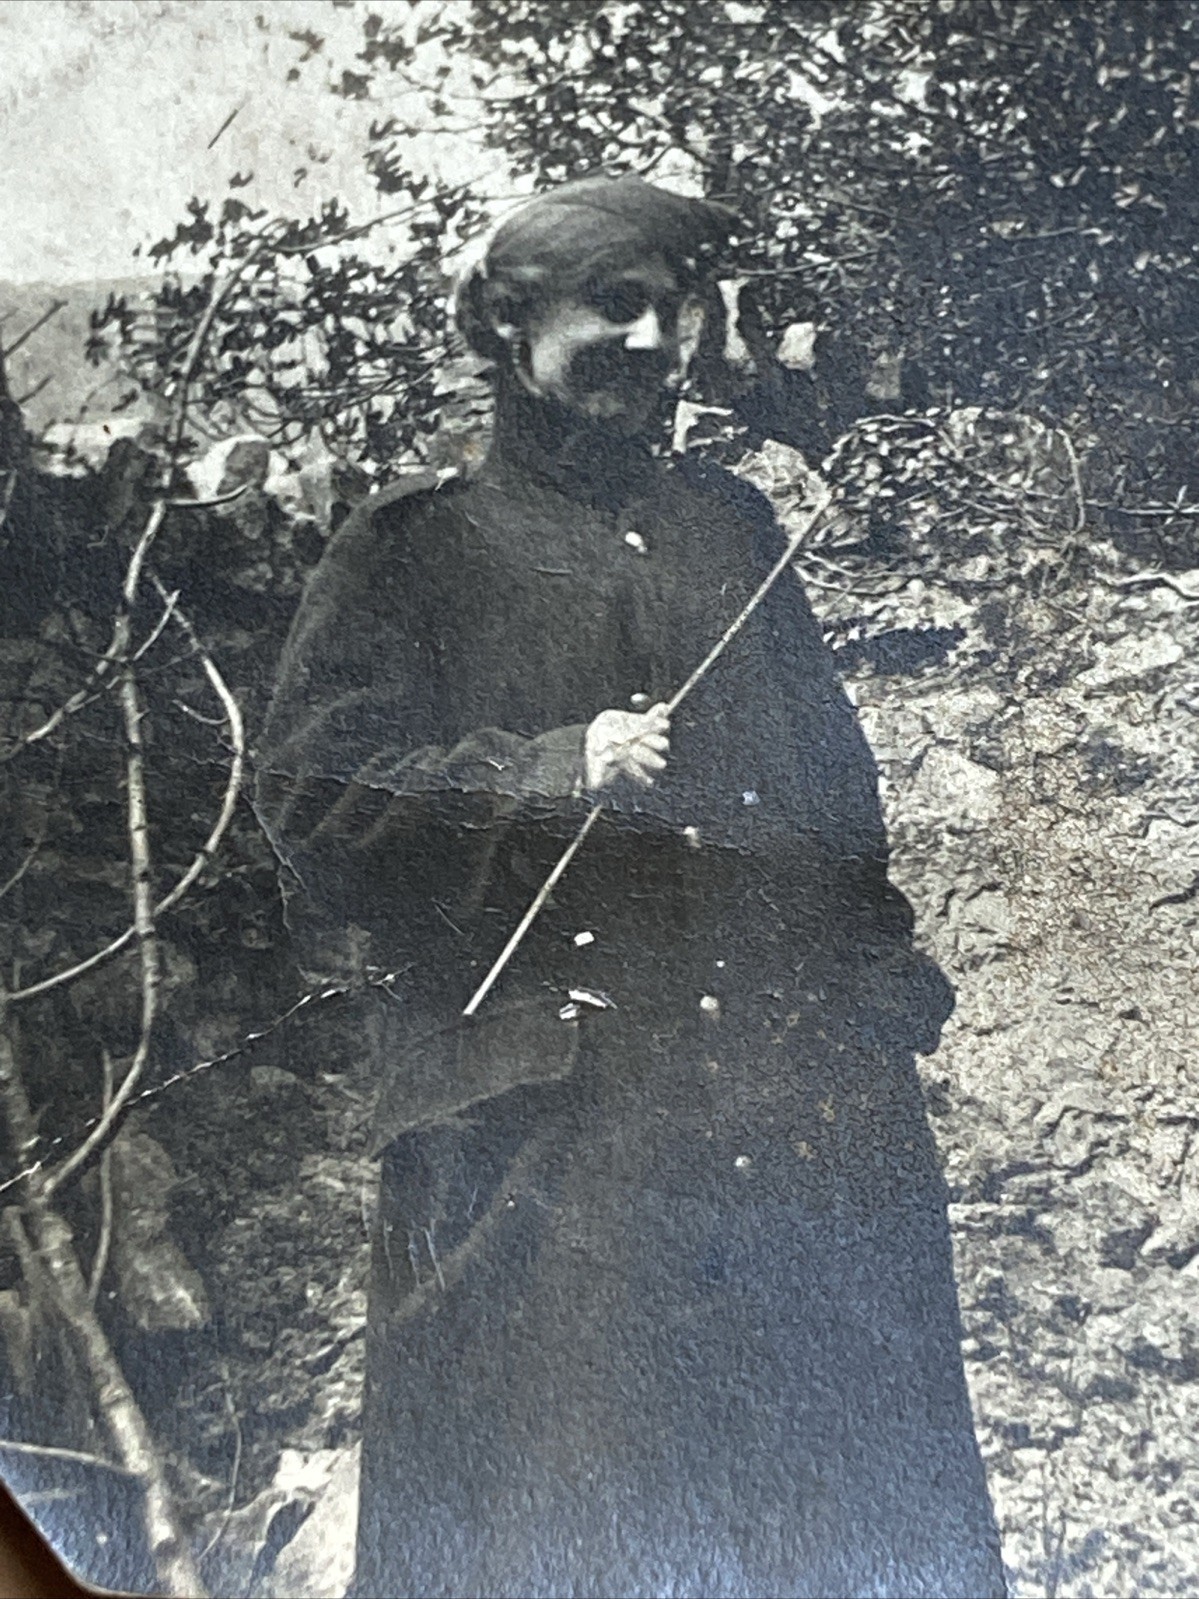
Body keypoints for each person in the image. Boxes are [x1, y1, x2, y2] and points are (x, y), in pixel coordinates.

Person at [256, 175, 1006, 1599]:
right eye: (615, 304)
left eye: (676, 306)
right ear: (506, 320)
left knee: (834, 1511)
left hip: (786, 1113)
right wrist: (544, 768)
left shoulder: (730, 528)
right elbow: (308, 802)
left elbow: (833, 807)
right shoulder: (410, 554)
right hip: (546, 1137)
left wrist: (869, 1013)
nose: (656, 338)